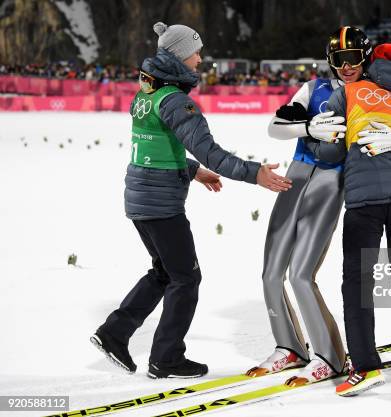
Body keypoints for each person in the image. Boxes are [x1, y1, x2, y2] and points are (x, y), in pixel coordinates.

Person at [90, 22, 292, 379]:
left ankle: (114, 334)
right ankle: (165, 358)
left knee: (165, 272)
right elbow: (212, 152)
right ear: (180, 55)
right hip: (160, 204)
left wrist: (192, 170)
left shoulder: (147, 92)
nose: (200, 58)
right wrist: (255, 173)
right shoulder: (176, 101)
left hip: (140, 196)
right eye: (196, 51)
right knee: (186, 278)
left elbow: (157, 145)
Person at [310, 41, 391, 396]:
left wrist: (315, 135)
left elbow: (330, 150)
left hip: (364, 200)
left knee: (358, 285)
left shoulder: (348, 93)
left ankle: (365, 366)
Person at [244, 29, 352, 387]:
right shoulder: (313, 89)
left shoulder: (367, 94)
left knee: (301, 274)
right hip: (297, 174)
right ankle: (289, 347)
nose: (347, 66)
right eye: (340, 59)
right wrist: (308, 126)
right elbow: (275, 128)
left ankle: (330, 356)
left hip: (331, 180)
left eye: (354, 59)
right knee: (271, 271)